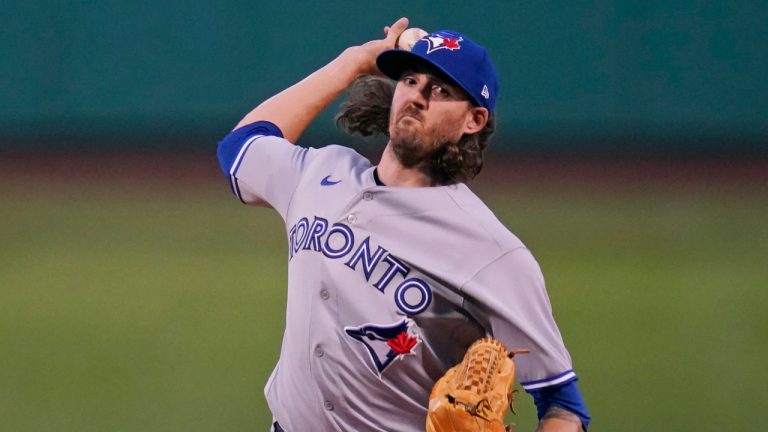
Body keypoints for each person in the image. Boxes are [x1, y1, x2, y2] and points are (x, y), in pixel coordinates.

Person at [216, 17, 591, 432]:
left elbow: (562, 403)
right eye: (410, 81)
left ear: (474, 120)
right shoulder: (321, 172)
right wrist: (353, 62)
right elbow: (240, 147)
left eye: (441, 91)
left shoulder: (493, 253)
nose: (416, 97)